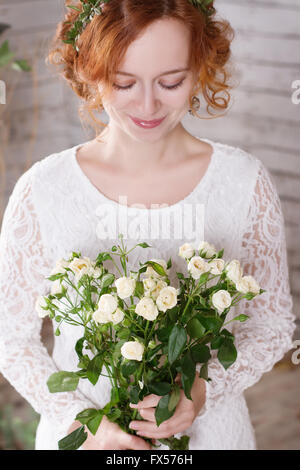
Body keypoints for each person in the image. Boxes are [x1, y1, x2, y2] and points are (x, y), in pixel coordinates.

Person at [0, 0, 296, 451]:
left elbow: (271, 324)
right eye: (124, 83)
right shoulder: (44, 190)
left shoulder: (242, 183)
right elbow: (10, 337)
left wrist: (203, 390)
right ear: (91, 72)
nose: (148, 105)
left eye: (171, 81)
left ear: (200, 66)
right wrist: (82, 421)